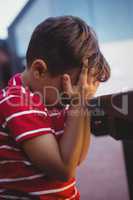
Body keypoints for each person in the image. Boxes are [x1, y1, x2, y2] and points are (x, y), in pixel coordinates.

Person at [0, 16, 110, 199]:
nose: (70, 96)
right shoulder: (18, 102)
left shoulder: (50, 99)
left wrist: (82, 103)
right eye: (67, 87)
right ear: (39, 70)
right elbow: (64, 171)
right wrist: (77, 103)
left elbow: (76, 159)